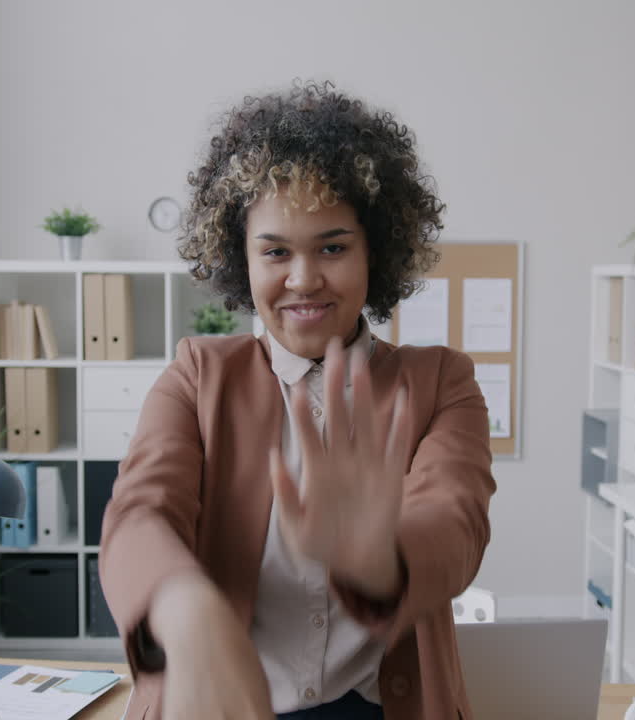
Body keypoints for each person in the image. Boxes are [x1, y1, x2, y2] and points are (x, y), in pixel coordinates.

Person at [98, 80, 495, 720]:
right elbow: (139, 515)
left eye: (333, 247)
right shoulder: (197, 376)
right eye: (275, 251)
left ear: (376, 253)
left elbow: (458, 523)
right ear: (241, 258)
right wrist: (185, 607)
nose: (304, 278)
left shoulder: (442, 382)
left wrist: (378, 559)